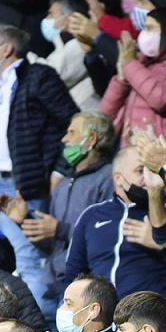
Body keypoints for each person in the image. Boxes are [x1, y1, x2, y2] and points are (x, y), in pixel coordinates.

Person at [0, 23, 78, 313]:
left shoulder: (38, 76)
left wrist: (59, 170)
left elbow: (72, 122)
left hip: (19, 185)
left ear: (6, 49)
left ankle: (47, 330)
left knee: (31, 260)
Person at [64, 146, 166, 306]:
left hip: (151, 319)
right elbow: (73, 274)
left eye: (152, 170)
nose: (148, 177)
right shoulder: (91, 216)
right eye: (140, 171)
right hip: (100, 319)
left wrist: (164, 245)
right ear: (118, 178)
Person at [24, 111, 116, 304]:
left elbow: (107, 234)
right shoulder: (63, 184)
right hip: (55, 287)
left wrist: (60, 229)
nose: (64, 139)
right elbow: (53, 244)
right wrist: (23, 219)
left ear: (91, 139)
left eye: (71, 132)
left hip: (89, 290)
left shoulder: (108, 179)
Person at [100, 8, 166, 160]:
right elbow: (106, 113)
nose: (144, 34)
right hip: (130, 153)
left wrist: (130, 65)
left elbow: (162, 98)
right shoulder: (139, 63)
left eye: (150, 28)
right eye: (143, 28)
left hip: (161, 153)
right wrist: (122, 79)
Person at [36, 0, 100, 111]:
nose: (46, 19)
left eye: (51, 14)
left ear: (69, 18)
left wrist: (23, 58)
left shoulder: (80, 44)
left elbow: (51, 75)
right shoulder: (63, 45)